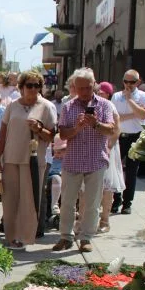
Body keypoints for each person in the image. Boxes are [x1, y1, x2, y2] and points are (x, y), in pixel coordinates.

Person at [53, 68, 116, 253]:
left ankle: (86, 237)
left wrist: (96, 124)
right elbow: (63, 134)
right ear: (74, 87)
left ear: (94, 84)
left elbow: (111, 130)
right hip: (73, 161)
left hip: (96, 161)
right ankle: (65, 236)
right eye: (80, 88)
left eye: (88, 87)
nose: (85, 92)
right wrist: (78, 128)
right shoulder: (68, 106)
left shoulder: (104, 105)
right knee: (67, 202)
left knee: (92, 203)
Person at [0, 71, 57, 248]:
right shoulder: (12, 106)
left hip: (34, 161)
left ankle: (25, 237)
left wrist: (39, 129)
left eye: (37, 85)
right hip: (11, 158)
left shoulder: (47, 106)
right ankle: (11, 237)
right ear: (21, 87)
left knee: (29, 201)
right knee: (10, 200)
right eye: (30, 85)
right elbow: (2, 134)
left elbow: (52, 136)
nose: (34, 89)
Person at [110, 70, 145, 214]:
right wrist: (134, 114)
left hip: (136, 136)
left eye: (132, 82)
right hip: (120, 136)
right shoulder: (116, 96)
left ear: (138, 82)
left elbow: (143, 114)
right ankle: (117, 199)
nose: (128, 85)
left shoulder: (143, 96)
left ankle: (127, 203)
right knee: (116, 169)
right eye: (125, 81)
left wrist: (130, 100)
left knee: (132, 171)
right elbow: (115, 117)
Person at [96, 82, 124, 234]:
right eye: (99, 91)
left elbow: (117, 128)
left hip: (108, 149)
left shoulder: (110, 106)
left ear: (108, 94)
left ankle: (105, 220)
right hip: (94, 149)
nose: (100, 94)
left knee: (107, 185)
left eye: (103, 92)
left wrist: (109, 146)